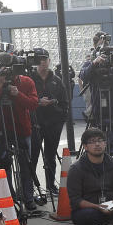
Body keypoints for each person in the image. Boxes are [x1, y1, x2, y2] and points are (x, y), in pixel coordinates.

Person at [0, 53, 40, 211]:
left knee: (26, 165)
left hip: (22, 130)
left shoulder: (26, 81)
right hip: (1, 129)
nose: (10, 73)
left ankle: (28, 198)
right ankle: (9, 198)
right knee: (4, 166)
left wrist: (17, 94)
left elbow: (33, 104)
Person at [30, 52, 68, 194]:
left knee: (50, 155)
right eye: (39, 60)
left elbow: (65, 103)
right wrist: (38, 102)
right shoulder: (29, 79)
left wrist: (60, 118)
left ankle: (50, 186)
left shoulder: (57, 80)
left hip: (53, 123)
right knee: (32, 155)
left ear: (49, 61)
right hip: (35, 123)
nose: (42, 63)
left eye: (45, 60)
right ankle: (33, 187)